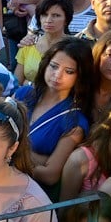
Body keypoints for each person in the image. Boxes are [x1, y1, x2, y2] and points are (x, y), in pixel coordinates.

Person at [13, 38, 93, 196]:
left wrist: (10, 152)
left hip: (33, 194)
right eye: (54, 66)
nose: (57, 75)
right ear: (45, 64)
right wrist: (39, 159)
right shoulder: (23, 94)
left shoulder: (74, 121)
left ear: (80, 76)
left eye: (69, 71)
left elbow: (50, 175)